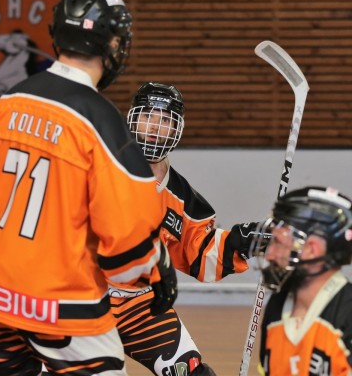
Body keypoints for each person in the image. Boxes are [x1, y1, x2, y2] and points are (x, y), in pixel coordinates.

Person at [0, 0, 177, 376]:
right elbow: (126, 246)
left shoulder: (9, 102)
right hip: (62, 305)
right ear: (113, 43)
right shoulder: (102, 122)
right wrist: (157, 268)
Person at [109, 82, 265, 376]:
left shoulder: (183, 198)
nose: (155, 127)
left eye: (165, 120)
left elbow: (201, 253)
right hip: (81, 299)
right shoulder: (100, 166)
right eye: (148, 116)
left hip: (140, 306)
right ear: (133, 118)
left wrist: (245, 241)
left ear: (177, 129)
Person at [251, 186, 352, 375]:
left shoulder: (346, 317)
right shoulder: (277, 307)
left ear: (312, 249)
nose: (269, 254)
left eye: (278, 242)